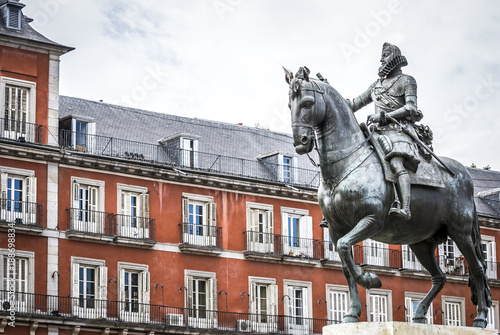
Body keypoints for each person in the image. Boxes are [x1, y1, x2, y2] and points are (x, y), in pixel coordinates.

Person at [348, 42, 423, 220]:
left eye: (386, 54)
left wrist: (384, 116)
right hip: (377, 133)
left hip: (399, 131)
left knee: (396, 162)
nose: (381, 59)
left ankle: (405, 207)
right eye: (381, 55)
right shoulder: (376, 86)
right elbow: (354, 104)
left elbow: (411, 108)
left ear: (395, 57)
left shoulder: (407, 81)